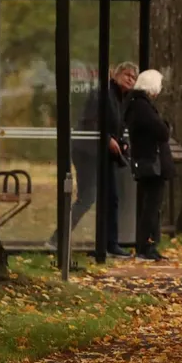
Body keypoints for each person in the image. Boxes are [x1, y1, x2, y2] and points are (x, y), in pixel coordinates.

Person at [50, 62, 136, 257]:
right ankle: (57, 239)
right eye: (127, 75)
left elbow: (115, 126)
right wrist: (107, 139)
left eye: (133, 77)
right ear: (116, 75)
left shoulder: (121, 98)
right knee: (87, 197)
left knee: (111, 197)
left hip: (102, 154)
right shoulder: (103, 93)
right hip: (87, 151)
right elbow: (91, 121)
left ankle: (109, 244)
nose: (130, 79)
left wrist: (120, 142)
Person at [124, 69, 173, 262]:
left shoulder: (135, 104)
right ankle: (146, 247)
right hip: (151, 163)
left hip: (146, 161)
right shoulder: (142, 106)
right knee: (151, 207)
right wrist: (165, 125)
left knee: (150, 206)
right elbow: (162, 131)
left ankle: (148, 245)